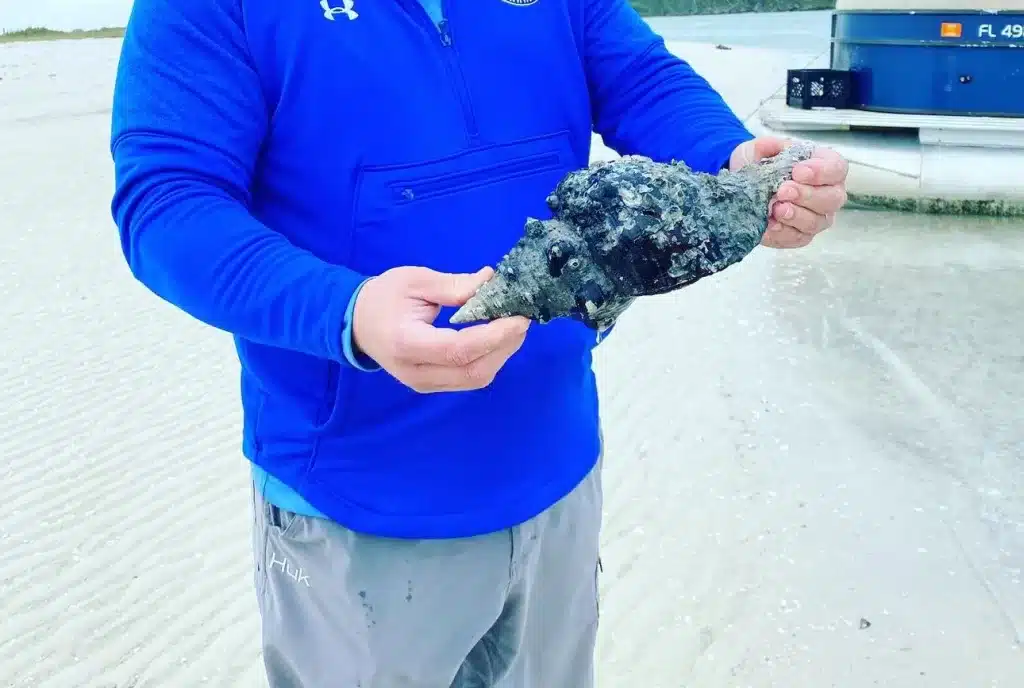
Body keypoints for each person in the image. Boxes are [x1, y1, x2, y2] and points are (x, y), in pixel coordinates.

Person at [109, 0, 849, 685]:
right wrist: (349, 310)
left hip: (556, 468)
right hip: (355, 497)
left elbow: (638, 77)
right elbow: (169, 201)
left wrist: (733, 164)